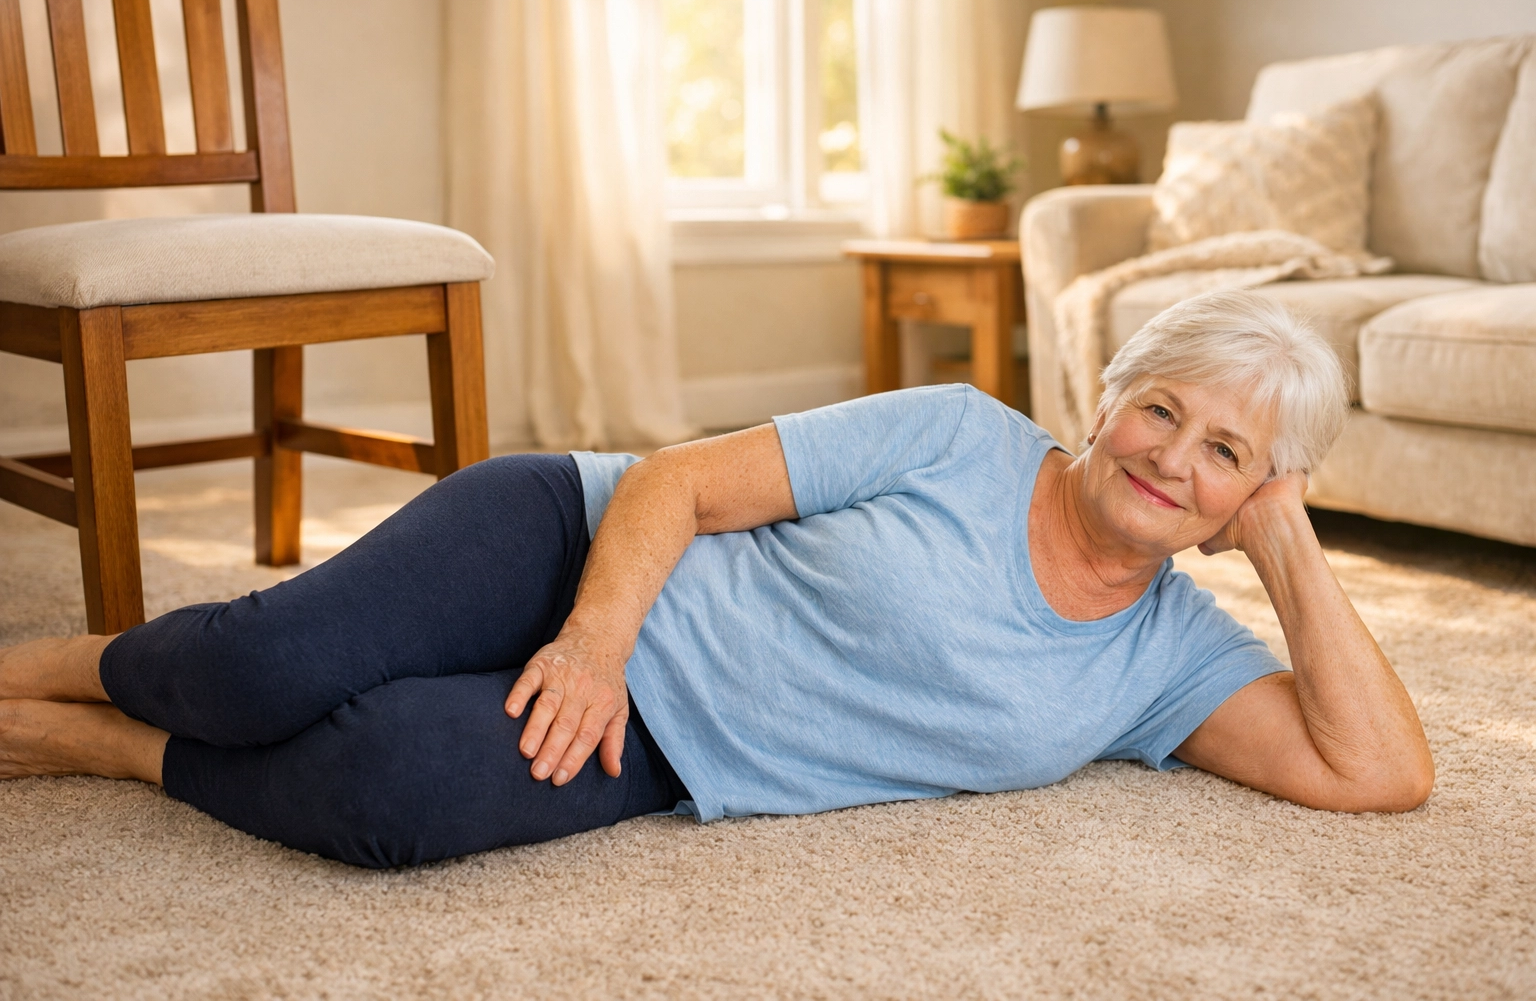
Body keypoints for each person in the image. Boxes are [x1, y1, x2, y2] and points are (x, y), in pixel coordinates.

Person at [0, 290, 1434, 869]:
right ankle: (71, 663)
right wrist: (594, 644)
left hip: (679, 749)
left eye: (1229, 453)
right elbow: (678, 478)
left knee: (388, 796)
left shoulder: (1168, 663)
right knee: (262, 670)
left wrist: (1296, 546)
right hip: (584, 536)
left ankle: (106, 745)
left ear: (1252, 498)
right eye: (1162, 410)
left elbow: (1377, 773)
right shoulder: (959, 438)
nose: (1174, 458)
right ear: (1107, 399)